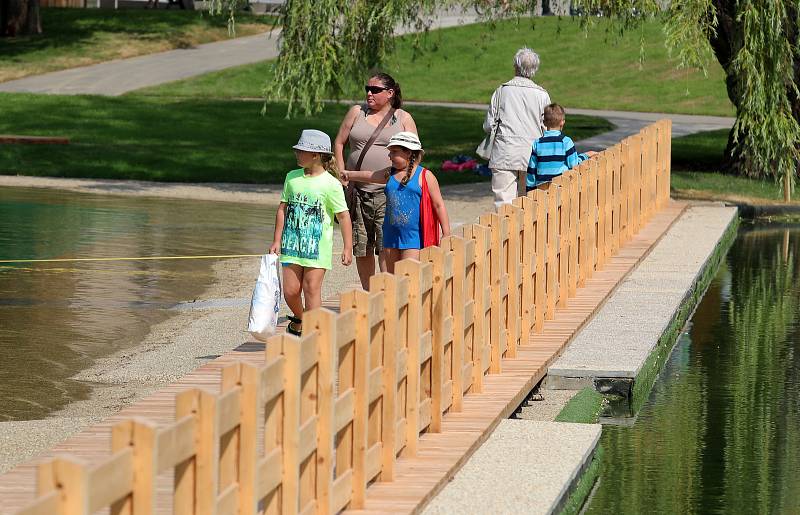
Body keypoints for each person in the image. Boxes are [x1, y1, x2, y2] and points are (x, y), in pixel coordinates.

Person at [334, 72, 419, 289]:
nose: (369, 94)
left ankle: (386, 292)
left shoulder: (402, 118)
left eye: (375, 90)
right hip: (357, 191)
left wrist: (406, 180)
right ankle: (370, 293)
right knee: (362, 246)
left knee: (385, 246)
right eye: (367, 89)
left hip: (388, 192)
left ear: (390, 93)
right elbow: (339, 142)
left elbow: (415, 154)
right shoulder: (356, 112)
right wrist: (342, 174)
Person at [270, 129, 353, 337]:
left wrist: (348, 247)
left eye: (301, 151)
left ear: (315, 155)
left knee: (311, 289)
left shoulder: (331, 184)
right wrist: (277, 240)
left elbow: (343, 217)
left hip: (317, 248)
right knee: (290, 291)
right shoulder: (292, 178)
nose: (297, 154)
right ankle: (301, 318)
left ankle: (314, 336)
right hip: (291, 244)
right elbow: (282, 209)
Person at [342, 132, 450, 273]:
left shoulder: (425, 176)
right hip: (390, 236)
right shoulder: (389, 174)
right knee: (393, 278)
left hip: (413, 238)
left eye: (394, 152)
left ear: (409, 153)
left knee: (409, 277)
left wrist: (446, 232)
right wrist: (349, 175)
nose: (389, 156)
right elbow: (370, 176)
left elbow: (438, 205)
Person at [482, 47, 551, 209]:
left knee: (503, 204)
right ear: (534, 69)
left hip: (504, 152)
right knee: (530, 202)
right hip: (532, 153)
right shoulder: (542, 95)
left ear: (515, 66)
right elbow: (547, 127)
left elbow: (488, 125)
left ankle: (505, 234)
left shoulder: (501, 91)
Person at [526, 103, 597, 190]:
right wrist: (585, 156)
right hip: (561, 187)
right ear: (562, 122)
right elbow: (574, 165)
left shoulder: (537, 143)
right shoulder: (566, 142)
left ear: (544, 122)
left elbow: (532, 169)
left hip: (541, 188)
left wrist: (529, 189)